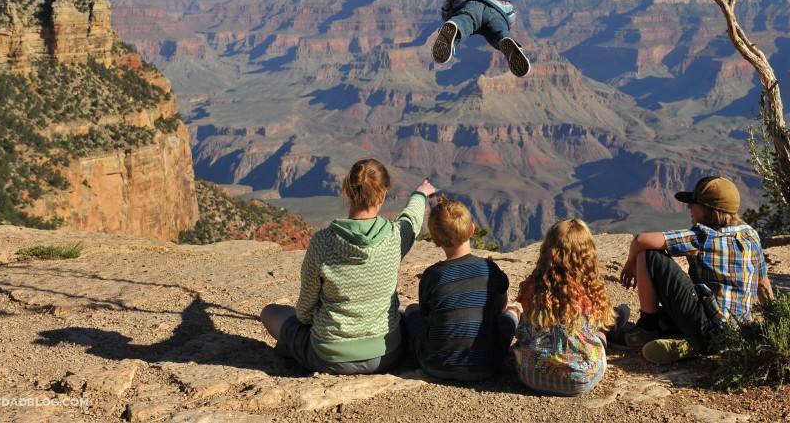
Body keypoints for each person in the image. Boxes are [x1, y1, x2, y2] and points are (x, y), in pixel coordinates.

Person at [259, 159, 434, 374]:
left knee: (270, 312)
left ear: (347, 191)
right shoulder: (396, 237)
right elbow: (411, 220)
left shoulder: (322, 242)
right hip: (387, 354)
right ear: (383, 195)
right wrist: (420, 193)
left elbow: (304, 313)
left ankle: (295, 351)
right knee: (406, 310)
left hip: (329, 356)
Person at [613, 175, 774, 365]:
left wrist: (631, 262)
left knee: (648, 254)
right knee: (676, 306)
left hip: (707, 324)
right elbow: (763, 285)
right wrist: (775, 323)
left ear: (708, 211)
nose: (690, 208)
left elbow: (641, 240)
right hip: (736, 332)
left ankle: (647, 330)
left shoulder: (704, 236)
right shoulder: (751, 234)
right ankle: (693, 344)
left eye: (694, 204)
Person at [403, 197, 518, 381]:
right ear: (472, 229)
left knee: (411, 310)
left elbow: (426, 314)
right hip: (488, 365)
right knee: (511, 314)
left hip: (435, 364)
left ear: (435, 240)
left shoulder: (433, 275)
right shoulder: (490, 269)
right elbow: (501, 307)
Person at [512, 219, 615, 396]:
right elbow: (601, 321)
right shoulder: (590, 289)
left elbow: (525, 322)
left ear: (548, 250)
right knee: (601, 333)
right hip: (582, 379)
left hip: (532, 377)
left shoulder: (533, 287)